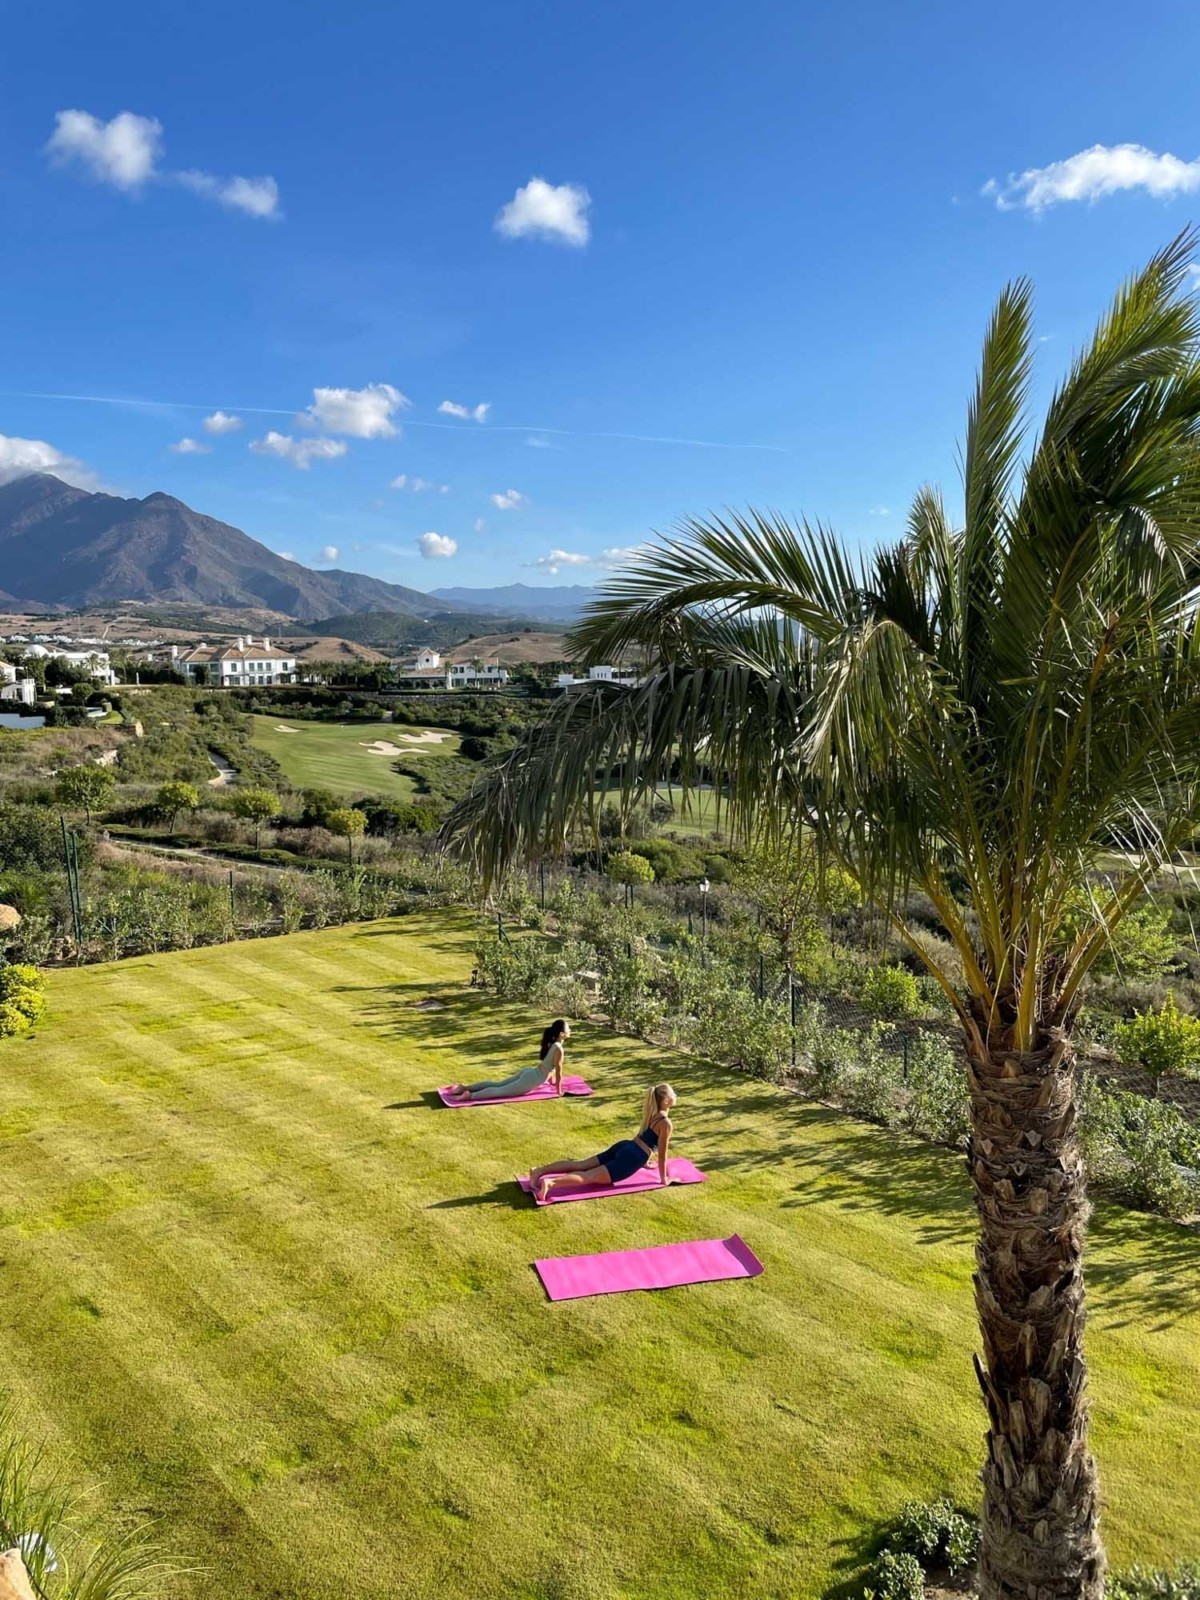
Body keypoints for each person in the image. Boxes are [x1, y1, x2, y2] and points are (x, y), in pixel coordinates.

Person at [529, 1083, 677, 1200]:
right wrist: (663, 1179)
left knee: (581, 1165)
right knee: (588, 1176)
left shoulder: (652, 1112)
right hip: (632, 1157)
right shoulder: (665, 1123)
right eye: (673, 1094)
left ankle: (538, 1171)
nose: (675, 1096)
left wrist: (645, 1161)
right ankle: (550, 1183)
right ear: (666, 1101)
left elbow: (645, 1137)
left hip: (625, 1146)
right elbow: (662, 1153)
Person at [447, 1019, 570, 1103]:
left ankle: (465, 1088)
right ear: (562, 1034)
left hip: (529, 1072)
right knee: (500, 1091)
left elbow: (549, 1066)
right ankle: (470, 1095)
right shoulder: (559, 1049)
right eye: (568, 1028)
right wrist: (558, 1091)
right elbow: (558, 1071)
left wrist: (551, 1082)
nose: (570, 1030)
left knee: (497, 1085)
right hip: (531, 1079)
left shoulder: (552, 1044)